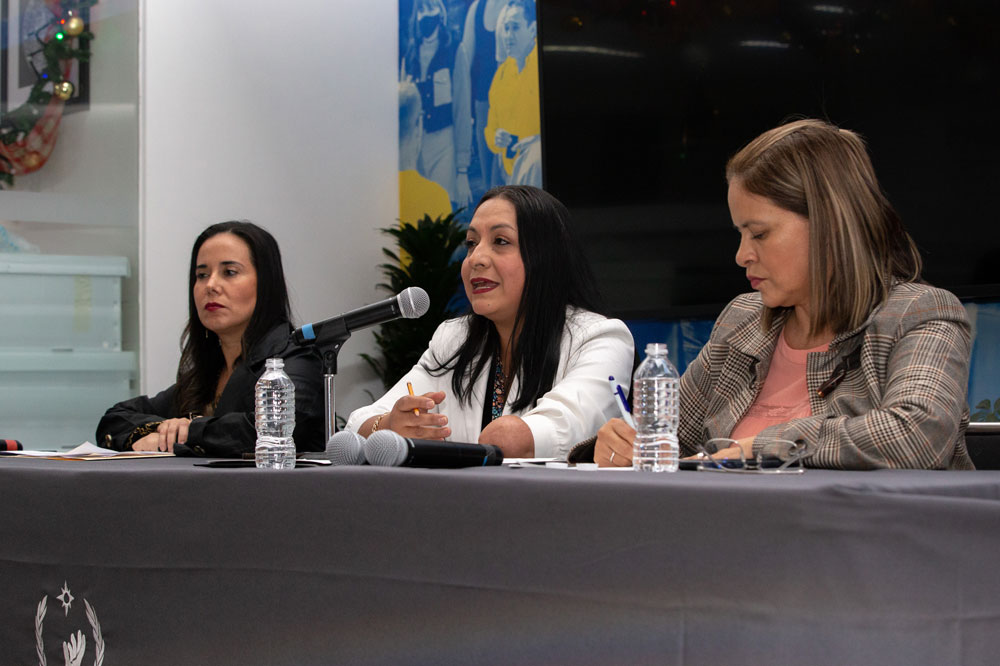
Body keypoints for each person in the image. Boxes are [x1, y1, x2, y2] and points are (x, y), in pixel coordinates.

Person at [595, 119, 974, 470]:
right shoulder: (742, 321)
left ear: (830, 227)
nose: (742, 254)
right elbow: (668, 443)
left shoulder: (920, 314)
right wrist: (622, 445)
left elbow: (919, 436)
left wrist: (764, 446)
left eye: (759, 234)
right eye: (739, 234)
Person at [346, 185, 635, 460]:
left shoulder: (601, 338)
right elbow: (358, 423)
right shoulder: (454, 339)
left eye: (500, 241)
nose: (476, 258)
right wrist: (388, 425)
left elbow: (554, 429)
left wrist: (508, 436)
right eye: (471, 243)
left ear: (545, 258)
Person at [97, 221, 325, 457]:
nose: (211, 285)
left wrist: (187, 431)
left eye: (230, 272)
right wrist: (161, 431)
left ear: (266, 284)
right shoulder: (205, 377)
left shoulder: (297, 358)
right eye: (202, 275)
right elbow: (115, 419)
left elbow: (268, 431)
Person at [401, 0, 473, 209]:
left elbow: (462, 111)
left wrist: (462, 170)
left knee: (439, 211)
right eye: (422, 10)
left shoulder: (455, 51)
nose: (426, 15)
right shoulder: (410, 55)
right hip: (414, 148)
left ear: (441, 14)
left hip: (444, 145)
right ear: (416, 16)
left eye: (431, 8)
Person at [484, 0, 541, 187]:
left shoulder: (542, 68)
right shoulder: (501, 75)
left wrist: (533, 141)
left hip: (539, 174)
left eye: (515, 28)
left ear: (533, 29)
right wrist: (496, 138)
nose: (508, 36)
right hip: (510, 178)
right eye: (506, 28)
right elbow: (490, 129)